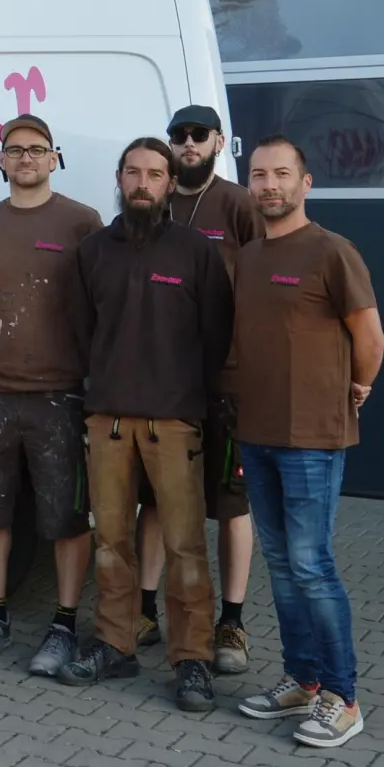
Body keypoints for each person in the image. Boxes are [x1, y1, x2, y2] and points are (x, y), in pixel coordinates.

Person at [57, 137, 232, 713]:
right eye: (133, 172)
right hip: (107, 418)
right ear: (119, 178)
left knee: (184, 546)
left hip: (175, 421)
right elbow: (80, 332)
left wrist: (186, 395)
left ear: (169, 183)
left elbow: (217, 335)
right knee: (111, 542)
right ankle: (115, 644)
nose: (142, 183)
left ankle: (192, 659)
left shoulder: (195, 251)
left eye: (155, 174)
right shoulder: (92, 251)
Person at [233, 135, 384, 748]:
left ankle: (343, 699)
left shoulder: (332, 251)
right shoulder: (247, 256)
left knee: (311, 565)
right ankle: (302, 681)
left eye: (281, 174)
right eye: (258, 174)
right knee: (280, 564)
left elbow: (370, 338)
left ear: (306, 182)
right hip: (257, 433)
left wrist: (358, 388)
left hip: (312, 439)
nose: (269, 185)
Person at [0, 115, 102, 675]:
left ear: (54, 157)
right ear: (0, 159)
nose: (25, 158)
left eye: (36, 150)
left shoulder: (81, 221)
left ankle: (63, 625)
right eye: (15, 150)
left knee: (66, 516)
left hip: (60, 395)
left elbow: (97, 301)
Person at [134, 105, 263, 672]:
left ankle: (231, 624)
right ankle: (143, 611)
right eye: (179, 135)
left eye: (198, 135)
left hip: (226, 381)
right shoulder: (155, 202)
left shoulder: (237, 203)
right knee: (154, 500)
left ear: (217, 141)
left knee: (231, 503)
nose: (188, 143)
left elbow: (263, 280)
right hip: (162, 382)